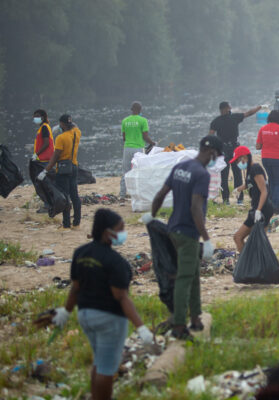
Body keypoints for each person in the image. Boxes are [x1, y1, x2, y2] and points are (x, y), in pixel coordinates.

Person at [52, 208, 154, 400]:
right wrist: (141, 327)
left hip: (85, 316)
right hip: (109, 318)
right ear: (108, 233)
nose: (123, 232)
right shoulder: (116, 262)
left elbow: (75, 288)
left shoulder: (81, 253)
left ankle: (94, 396)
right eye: (120, 228)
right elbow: (121, 296)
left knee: (99, 361)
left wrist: (65, 312)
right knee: (108, 368)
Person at [144, 135, 223, 340]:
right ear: (212, 152)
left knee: (193, 273)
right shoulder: (201, 174)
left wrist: (151, 217)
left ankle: (196, 318)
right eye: (217, 155)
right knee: (184, 279)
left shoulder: (182, 166)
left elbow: (161, 194)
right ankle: (179, 325)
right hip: (188, 233)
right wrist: (206, 239)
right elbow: (196, 208)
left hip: (172, 229)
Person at [209, 101, 263, 205]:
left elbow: (210, 136)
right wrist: (259, 107)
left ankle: (226, 201)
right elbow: (249, 113)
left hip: (223, 149)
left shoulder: (216, 121)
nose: (231, 108)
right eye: (229, 107)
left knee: (224, 176)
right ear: (225, 109)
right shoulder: (234, 117)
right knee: (237, 174)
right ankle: (239, 200)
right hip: (235, 149)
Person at [38, 114, 82, 229]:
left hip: (63, 169)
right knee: (74, 195)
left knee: (65, 196)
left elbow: (55, 157)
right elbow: (75, 126)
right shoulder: (77, 133)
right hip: (74, 166)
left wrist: (45, 171)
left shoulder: (61, 138)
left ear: (62, 124)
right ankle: (77, 222)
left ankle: (66, 224)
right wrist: (69, 123)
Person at [230, 146, 274, 252]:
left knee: (238, 237)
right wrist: (239, 189)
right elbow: (250, 183)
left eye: (238, 161)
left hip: (262, 209)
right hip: (259, 208)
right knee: (260, 242)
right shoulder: (250, 170)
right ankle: (256, 263)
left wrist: (258, 210)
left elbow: (264, 191)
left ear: (245, 157)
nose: (237, 164)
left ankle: (246, 265)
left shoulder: (255, 169)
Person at [120, 102, 155, 198]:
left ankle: (122, 195)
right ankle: (138, 195)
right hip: (138, 149)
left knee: (125, 172)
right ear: (140, 110)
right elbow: (145, 136)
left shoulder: (125, 121)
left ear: (132, 109)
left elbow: (124, 138)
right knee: (139, 171)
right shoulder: (143, 120)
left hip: (127, 148)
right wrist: (152, 143)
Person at [31, 109, 54, 213]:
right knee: (44, 183)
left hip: (44, 159)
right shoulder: (43, 128)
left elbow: (46, 144)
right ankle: (49, 204)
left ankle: (48, 205)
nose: (35, 118)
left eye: (37, 116)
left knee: (43, 184)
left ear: (43, 117)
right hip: (44, 159)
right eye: (34, 116)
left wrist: (37, 154)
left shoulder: (44, 128)